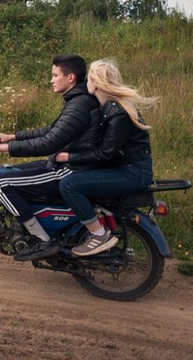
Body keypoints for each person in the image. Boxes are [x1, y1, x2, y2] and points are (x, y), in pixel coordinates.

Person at [0, 54, 100, 261]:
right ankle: (28, 225)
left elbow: (48, 143)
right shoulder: (77, 100)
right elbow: (51, 130)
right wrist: (12, 136)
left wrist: (3, 148)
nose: (52, 80)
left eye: (55, 75)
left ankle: (42, 240)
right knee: (14, 171)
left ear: (70, 77)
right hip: (65, 164)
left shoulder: (79, 106)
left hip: (70, 170)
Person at [55, 59, 155, 256]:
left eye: (89, 79)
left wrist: (69, 156)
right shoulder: (109, 107)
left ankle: (99, 235)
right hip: (126, 168)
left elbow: (104, 153)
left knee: (69, 185)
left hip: (132, 173)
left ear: (97, 84)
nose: (86, 83)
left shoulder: (118, 113)